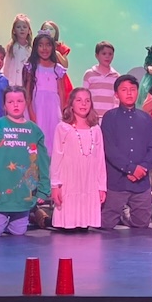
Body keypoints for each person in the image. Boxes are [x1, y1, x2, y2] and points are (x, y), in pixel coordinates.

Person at [0, 86, 50, 236]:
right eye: (10, 102)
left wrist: (43, 189)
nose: (15, 105)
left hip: (23, 194)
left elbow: (43, 161)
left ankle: (24, 217)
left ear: (26, 102)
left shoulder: (35, 130)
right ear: (4, 105)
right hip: (0, 193)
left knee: (18, 231)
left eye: (19, 101)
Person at [100, 75, 152, 229]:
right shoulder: (109, 117)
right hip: (117, 181)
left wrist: (142, 169)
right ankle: (121, 213)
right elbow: (109, 149)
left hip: (141, 182)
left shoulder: (146, 118)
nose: (129, 93)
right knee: (106, 224)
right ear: (116, 94)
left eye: (133, 89)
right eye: (124, 90)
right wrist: (131, 169)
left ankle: (125, 216)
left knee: (142, 224)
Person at [51, 88, 107, 230]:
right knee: (68, 229)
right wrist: (55, 185)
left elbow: (100, 160)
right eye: (79, 100)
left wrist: (102, 186)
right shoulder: (63, 128)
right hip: (69, 181)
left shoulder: (96, 129)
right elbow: (56, 158)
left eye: (87, 101)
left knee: (84, 230)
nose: (83, 104)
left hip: (89, 181)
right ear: (71, 103)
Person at [22, 32, 68, 141]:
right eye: (40, 45)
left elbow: (61, 92)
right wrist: (31, 112)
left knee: (53, 136)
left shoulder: (57, 69)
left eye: (48, 45)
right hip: (37, 106)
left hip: (53, 107)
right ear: (36, 48)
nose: (44, 48)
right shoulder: (31, 67)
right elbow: (28, 92)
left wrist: (62, 112)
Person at [82, 41, 121, 119]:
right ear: (97, 55)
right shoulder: (89, 74)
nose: (107, 56)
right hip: (92, 116)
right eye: (104, 54)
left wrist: (114, 114)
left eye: (110, 54)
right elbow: (85, 95)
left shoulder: (116, 76)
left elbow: (117, 98)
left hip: (110, 117)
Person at [39, 20, 75, 96]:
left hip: (59, 78)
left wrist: (57, 54)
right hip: (43, 77)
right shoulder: (38, 46)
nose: (48, 31)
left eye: (51, 29)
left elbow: (65, 65)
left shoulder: (60, 46)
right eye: (45, 29)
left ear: (56, 32)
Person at [3, 14, 33, 87]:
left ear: (29, 30)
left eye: (24, 27)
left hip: (25, 84)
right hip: (12, 82)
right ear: (14, 31)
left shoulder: (30, 49)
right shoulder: (11, 47)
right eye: (18, 27)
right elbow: (6, 66)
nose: (22, 29)